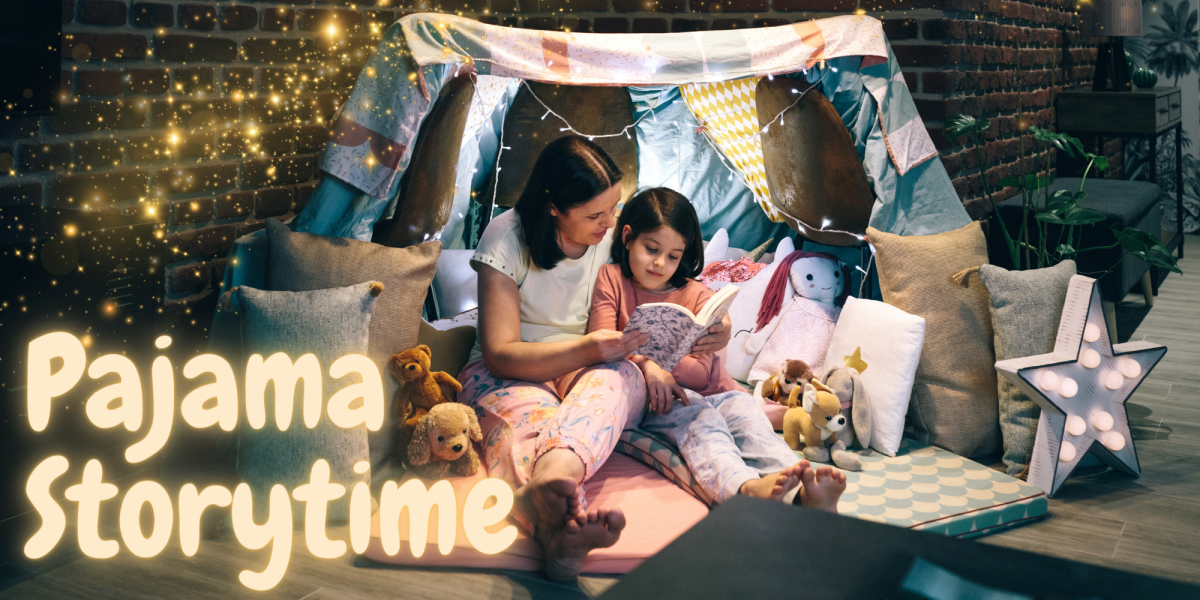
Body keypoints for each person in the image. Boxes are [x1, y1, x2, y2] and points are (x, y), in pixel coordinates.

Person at [456, 137, 733, 581]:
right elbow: (501, 354)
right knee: (525, 423)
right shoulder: (507, 237)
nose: (609, 223)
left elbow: (673, 284)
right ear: (553, 208)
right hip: (514, 370)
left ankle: (556, 479)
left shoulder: (615, 235)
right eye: (594, 215)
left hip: (597, 366)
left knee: (615, 379)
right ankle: (557, 522)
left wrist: (714, 329)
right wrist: (587, 348)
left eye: (614, 208)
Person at [588, 187, 847, 507]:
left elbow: (699, 374)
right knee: (701, 423)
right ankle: (745, 487)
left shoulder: (697, 295)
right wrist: (648, 364)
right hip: (662, 398)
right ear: (628, 237)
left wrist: (665, 361)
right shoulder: (611, 278)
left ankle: (801, 487)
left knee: (749, 417)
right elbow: (600, 342)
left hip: (717, 389)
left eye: (673, 256)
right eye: (651, 249)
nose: (660, 264)